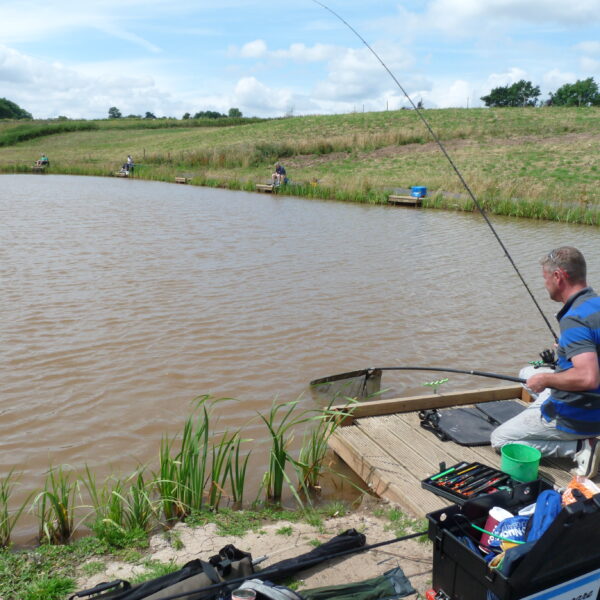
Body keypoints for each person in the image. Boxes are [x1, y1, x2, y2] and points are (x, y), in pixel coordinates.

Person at [491, 247, 600, 477]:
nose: (545, 284)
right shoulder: (594, 305)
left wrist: (546, 378)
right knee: (526, 372)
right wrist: (565, 350)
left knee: (501, 439)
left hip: (578, 414)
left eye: (545, 277)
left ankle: (581, 447)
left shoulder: (575, 319)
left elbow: (588, 377)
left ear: (559, 276)